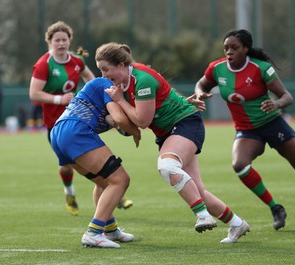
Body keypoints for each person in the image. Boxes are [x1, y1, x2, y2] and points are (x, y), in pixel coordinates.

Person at [96, 42, 250, 244]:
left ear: (122, 64)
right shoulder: (121, 85)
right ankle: (237, 224)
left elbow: (142, 121)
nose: (103, 76)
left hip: (185, 124)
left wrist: (120, 102)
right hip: (168, 133)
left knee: (167, 166)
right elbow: (164, 95)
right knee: (197, 190)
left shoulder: (141, 79)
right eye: (100, 71)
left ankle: (202, 215)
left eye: (106, 69)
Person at [193, 29, 295, 231]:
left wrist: (277, 104)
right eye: (226, 48)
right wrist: (200, 92)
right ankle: (275, 207)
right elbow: (202, 83)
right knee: (240, 166)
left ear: (246, 49)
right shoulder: (217, 69)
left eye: (235, 48)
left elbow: (287, 96)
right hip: (247, 130)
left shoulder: (260, 68)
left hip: (273, 124)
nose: (229, 52)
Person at [29, 21, 133, 216]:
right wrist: (59, 99)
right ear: (49, 42)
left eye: (64, 39)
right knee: (66, 166)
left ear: (70, 40)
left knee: (86, 164)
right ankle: (71, 193)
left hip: (79, 121)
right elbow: (34, 94)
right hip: (56, 124)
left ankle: (114, 194)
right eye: (56, 40)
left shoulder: (77, 61)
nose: (61, 43)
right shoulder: (44, 65)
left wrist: (100, 98)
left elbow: (92, 80)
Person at [50, 77, 141, 248]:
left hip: (59, 133)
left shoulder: (104, 91)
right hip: (75, 131)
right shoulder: (107, 85)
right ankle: (94, 232)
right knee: (120, 180)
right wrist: (135, 131)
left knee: (104, 182)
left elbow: (115, 120)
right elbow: (120, 120)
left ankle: (110, 229)